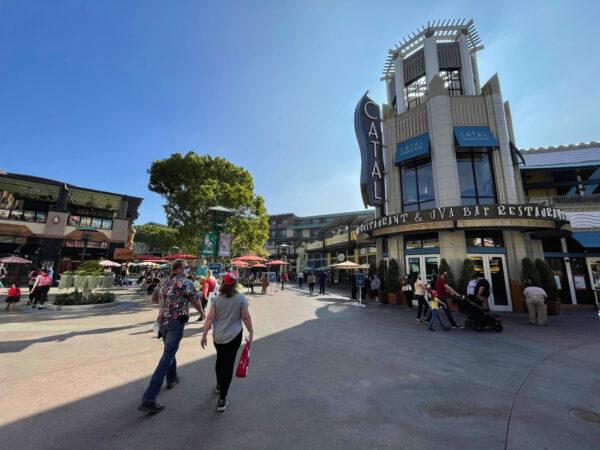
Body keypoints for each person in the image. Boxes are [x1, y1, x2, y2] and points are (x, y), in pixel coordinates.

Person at [138, 260, 204, 414]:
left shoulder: (163, 281)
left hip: (162, 322)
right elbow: (195, 300)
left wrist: (165, 303)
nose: (188, 270)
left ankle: (172, 378)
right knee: (167, 355)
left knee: (169, 350)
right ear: (178, 269)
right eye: (186, 267)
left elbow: (153, 299)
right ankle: (149, 397)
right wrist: (202, 314)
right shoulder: (185, 283)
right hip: (175, 322)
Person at [201, 272, 254, 412]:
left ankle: (219, 385)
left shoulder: (217, 298)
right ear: (236, 284)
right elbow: (246, 317)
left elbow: (210, 318)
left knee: (220, 359)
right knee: (228, 365)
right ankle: (222, 398)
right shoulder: (241, 298)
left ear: (223, 283)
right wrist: (251, 331)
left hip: (217, 337)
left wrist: (204, 334)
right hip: (233, 336)